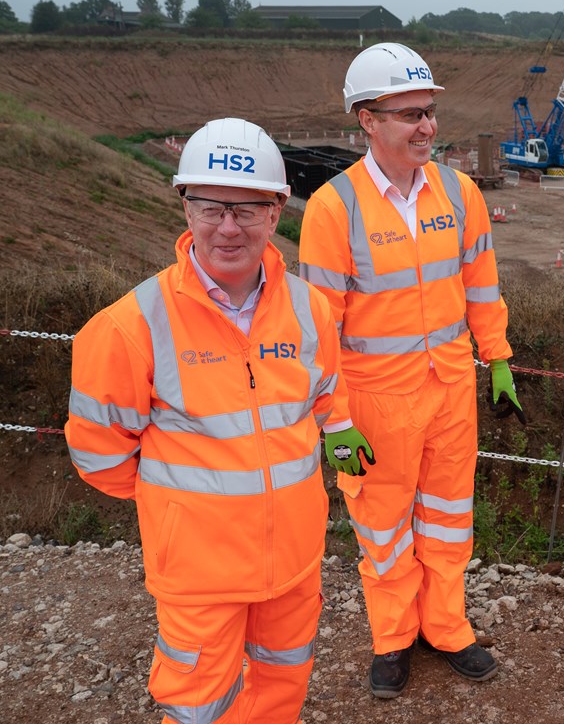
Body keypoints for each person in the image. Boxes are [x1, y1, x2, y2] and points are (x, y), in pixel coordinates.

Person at [64, 117, 373, 723]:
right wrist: (181, 509)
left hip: (293, 561)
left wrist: (336, 426)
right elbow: (98, 454)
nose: (228, 227)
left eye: (248, 209)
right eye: (211, 207)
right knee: (197, 705)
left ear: (279, 208)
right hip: (198, 573)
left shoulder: (310, 308)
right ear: (185, 208)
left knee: (282, 687)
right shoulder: (132, 325)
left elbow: (325, 390)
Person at [298, 42, 525, 699]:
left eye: (429, 112)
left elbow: (482, 285)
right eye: (408, 115)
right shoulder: (334, 209)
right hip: (374, 403)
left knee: (450, 518)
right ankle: (394, 637)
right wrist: (333, 420)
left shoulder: (460, 194)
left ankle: (447, 627)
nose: (426, 127)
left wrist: (499, 357)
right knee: (383, 525)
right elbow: (318, 330)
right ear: (367, 119)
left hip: (451, 390)